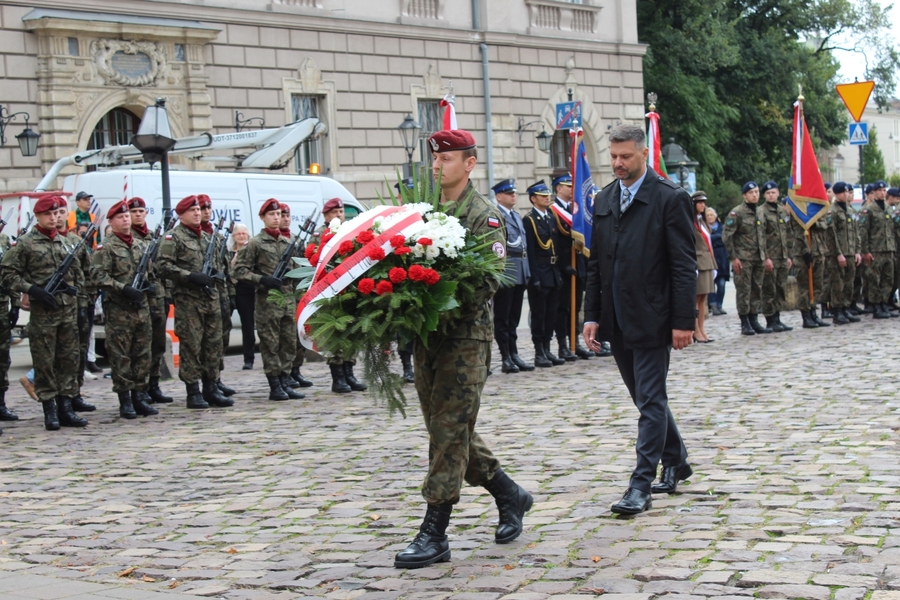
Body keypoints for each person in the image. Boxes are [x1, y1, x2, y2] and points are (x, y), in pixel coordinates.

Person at [394, 129, 533, 569]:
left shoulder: (483, 216)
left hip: (464, 340)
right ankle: (510, 494)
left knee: (449, 430)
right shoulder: (423, 212)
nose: (437, 166)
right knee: (448, 430)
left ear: (469, 164)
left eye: (447, 159)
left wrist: (431, 298)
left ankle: (434, 532)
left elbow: (486, 280)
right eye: (434, 160)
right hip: (427, 338)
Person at [583, 124, 696, 515]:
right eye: (613, 156)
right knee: (646, 399)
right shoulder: (604, 198)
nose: (618, 163)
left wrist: (683, 320)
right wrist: (592, 315)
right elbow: (596, 264)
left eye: (626, 156)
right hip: (616, 316)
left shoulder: (669, 198)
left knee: (650, 400)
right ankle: (677, 460)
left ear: (643, 154)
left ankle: (640, 485)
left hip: (654, 316)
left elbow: (683, 265)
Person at [1, 195, 88, 430]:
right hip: (43, 313)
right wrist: (32, 290)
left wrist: (81, 305)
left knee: (68, 360)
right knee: (45, 361)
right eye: (47, 214)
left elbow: (79, 275)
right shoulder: (26, 244)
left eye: (56, 213)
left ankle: (66, 408)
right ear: (38, 216)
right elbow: (8, 274)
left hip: (67, 311)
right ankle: (50, 410)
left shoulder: (66, 242)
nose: (53, 217)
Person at [157, 195, 234, 409]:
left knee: (213, 344)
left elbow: (220, 267)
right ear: (181, 215)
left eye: (199, 209)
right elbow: (163, 266)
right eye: (192, 210)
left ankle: (211, 387)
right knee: (191, 346)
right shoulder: (173, 237)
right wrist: (190, 276)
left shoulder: (208, 238)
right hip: (189, 301)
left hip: (211, 298)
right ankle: (193, 391)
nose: (198, 213)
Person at [91, 201, 158, 419]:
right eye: (120, 217)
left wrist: (149, 288)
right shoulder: (106, 247)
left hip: (141, 308)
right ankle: (125, 400)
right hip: (119, 310)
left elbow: (150, 273)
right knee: (121, 356)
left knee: (142, 354)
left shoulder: (139, 245)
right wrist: (123, 289)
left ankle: (140, 397)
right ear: (111, 222)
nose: (126, 219)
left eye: (127, 216)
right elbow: (97, 276)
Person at [232, 199, 304, 401]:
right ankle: (275, 385)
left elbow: (297, 271)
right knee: (270, 344)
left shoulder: (288, 243)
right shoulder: (255, 243)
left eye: (279, 214)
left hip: (287, 301)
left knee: (288, 343)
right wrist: (262, 280)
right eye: (272, 214)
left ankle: (285, 380)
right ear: (262, 217)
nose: (276, 218)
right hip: (267, 303)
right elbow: (239, 271)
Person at [315, 197, 367, 394]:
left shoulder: (349, 231)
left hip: (349, 288)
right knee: (334, 333)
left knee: (351, 332)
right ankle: (338, 377)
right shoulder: (319, 235)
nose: (339, 215)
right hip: (329, 290)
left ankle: (349, 372)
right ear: (326, 215)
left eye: (341, 211)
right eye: (334, 212)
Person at [128, 197, 174, 403]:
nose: (138, 214)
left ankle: (154, 384)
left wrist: (168, 294)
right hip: (140, 298)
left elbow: (163, 268)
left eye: (141, 211)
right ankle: (140, 387)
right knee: (140, 346)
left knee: (158, 344)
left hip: (159, 295)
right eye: (133, 211)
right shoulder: (127, 238)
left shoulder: (154, 237)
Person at [56, 203, 98, 413]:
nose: (57, 216)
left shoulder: (75, 242)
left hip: (79, 304)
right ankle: (58, 399)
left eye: (61, 212)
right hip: (54, 306)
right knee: (59, 355)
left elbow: (86, 273)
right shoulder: (38, 242)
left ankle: (75, 393)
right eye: (53, 213)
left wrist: (87, 302)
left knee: (79, 351)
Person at [491, 178, 533, 374]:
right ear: (499, 197)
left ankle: (514, 353)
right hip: (506, 271)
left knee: (514, 317)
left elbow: (523, 246)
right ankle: (506, 356)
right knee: (503, 318)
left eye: (514, 193)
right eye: (509, 193)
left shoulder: (516, 215)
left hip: (520, 270)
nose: (513, 196)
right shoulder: (495, 216)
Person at [198, 195, 237, 397]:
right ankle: (205, 382)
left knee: (220, 338)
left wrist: (231, 294)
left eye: (208, 208)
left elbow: (225, 269)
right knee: (204, 341)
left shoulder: (218, 236)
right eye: (202, 208)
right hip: (202, 295)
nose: (206, 212)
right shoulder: (198, 237)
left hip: (220, 293)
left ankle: (216, 378)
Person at [549, 173, 592, 361]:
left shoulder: (574, 210)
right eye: (568, 186)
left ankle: (575, 341)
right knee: (563, 308)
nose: (572, 189)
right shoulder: (553, 211)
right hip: (563, 267)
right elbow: (554, 242)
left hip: (578, 265)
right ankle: (563, 345)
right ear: (559, 188)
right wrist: (563, 264)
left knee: (575, 306)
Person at [523, 181, 564, 368]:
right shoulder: (530, 220)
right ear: (533, 199)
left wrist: (559, 272)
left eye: (548, 195)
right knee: (539, 314)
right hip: (539, 272)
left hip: (552, 272)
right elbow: (530, 251)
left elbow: (556, 246)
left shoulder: (550, 218)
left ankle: (547, 348)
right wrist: (534, 277)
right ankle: (539, 351)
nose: (547, 198)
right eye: (542, 196)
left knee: (551, 314)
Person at [723, 182, 771, 335]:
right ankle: (745, 322)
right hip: (743, 258)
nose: (755, 195)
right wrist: (734, 257)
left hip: (759, 257)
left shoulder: (760, 212)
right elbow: (727, 236)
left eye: (756, 192)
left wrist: (766, 256)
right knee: (744, 290)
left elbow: (763, 236)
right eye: (751, 192)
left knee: (756, 289)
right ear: (744, 195)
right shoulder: (736, 213)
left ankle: (754, 319)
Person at [279, 203, 313, 389]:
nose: (285, 219)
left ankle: (296, 370)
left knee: (298, 334)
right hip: (282, 294)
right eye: (282, 215)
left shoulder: (295, 239)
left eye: (287, 216)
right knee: (286, 338)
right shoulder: (275, 241)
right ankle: (285, 372)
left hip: (298, 293)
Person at [824, 182, 861, 325]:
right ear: (836, 194)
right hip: (838, 253)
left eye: (847, 192)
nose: (845, 195)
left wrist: (857, 251)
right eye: (842, 192)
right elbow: (831, 235)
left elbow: (856, 232)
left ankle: (846, 308)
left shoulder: (850, 210)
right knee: (837, 283)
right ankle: (837, 311)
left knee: (848, 283)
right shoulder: (832, 211)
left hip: (851, 252)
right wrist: (838, 253)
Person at [758, 181, 793, 333]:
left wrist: (789, 255)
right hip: (770, 257)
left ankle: (777, 318)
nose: (771, 195)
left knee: (780, 288)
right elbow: (760, 237)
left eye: (773, 192)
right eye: (768, 193)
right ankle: (770, 319)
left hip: (782, 256)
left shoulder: (782, 211)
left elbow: (788, 234)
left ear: (778, 193)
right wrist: (766, 257)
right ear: (764, 195)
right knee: (769, 289)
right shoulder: (761, 212)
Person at [229, 223, 256, 370]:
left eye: (243, 233)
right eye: (238, 234)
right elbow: (228, 271)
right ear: (233, 237)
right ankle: (247, 358)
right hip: (236, 291)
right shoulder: (229, 253)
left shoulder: (252, 250)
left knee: (253, 324)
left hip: (251, 289)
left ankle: (253, 358)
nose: (241, 236)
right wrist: (234, 261)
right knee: (242, 324)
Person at [0, 228, 19, 428]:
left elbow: (9, 273)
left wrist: (15, 304)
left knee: (3, 357)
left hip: (1, 307)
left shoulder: (3, 239)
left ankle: (1, 403)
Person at [691, 192, 715, 342]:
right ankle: (695, 330)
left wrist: (714, 264)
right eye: (699, 202)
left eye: (703, 202)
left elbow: (708, 243)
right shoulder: (690, 222)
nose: (702, 205)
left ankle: (701, 328)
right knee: (695, 299)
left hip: (707, 262)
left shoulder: (702, 221)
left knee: (702, 298)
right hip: (698, 262)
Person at [705, 207, 729, 315]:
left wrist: (712, 238)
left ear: (715, 216)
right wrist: (717, 237)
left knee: (721, 284)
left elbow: (725, 239)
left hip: (722, 259)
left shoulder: (723, 227)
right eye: (708, 215)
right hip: (709, 258)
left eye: (711, 215)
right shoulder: (704, 228)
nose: (710, 217)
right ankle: (713, 305)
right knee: (710, 285)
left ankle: (719, 305)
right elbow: (705, 240)